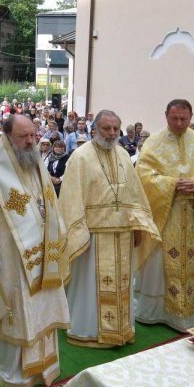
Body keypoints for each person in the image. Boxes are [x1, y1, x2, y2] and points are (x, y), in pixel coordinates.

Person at [0, 113, 70, 387]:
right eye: (24, 137)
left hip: (44, 251)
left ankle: (44, 366)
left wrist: (59, 234)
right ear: (8, 138)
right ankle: (11, 367)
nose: (31, 141)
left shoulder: (36, 163)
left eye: (33, 135)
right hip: (10, 256)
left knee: (42, 305)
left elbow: (50, 203)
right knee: (15, 307)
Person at [58, 109, 160, 347]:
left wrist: (136, 226)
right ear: (95, 129)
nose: (112, 133)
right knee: (89, 286)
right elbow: (71, 199)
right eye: (106, 128)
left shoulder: (124, 155)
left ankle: (121, 330)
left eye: (116, 128)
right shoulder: (80, 157)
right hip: (92, 236)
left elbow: (134, 194)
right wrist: (77, 234)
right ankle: (86, 330)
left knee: (122, 282)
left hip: (122, 233)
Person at [134, 99, 194, 331]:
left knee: (191, 261)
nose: (180, 123)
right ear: (166, 116)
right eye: (175, 118)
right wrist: (171, 184)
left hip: (192, 214)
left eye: (184, 119)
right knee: (157, 262)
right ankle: (155, 310)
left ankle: (188, 315)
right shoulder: (154, 143)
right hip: (164, 214)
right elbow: (143, 173)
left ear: (191, 117)